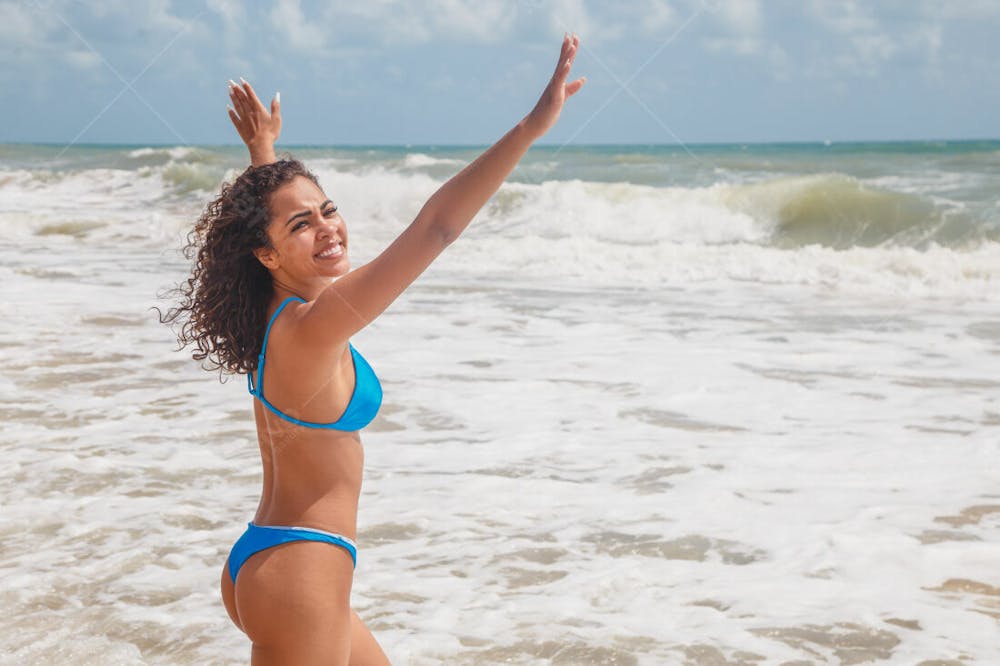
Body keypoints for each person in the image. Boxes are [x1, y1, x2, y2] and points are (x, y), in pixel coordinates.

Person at [165, 34, 584, 665]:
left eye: (327, 209)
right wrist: (530, 127)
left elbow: (268, 222)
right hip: (301, 571)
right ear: (269, 255)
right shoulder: (313, 326)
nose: (328, 227)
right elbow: (437, 227)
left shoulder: (275, 316)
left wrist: (264, 153)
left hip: (279, 560)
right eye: (303, 225)